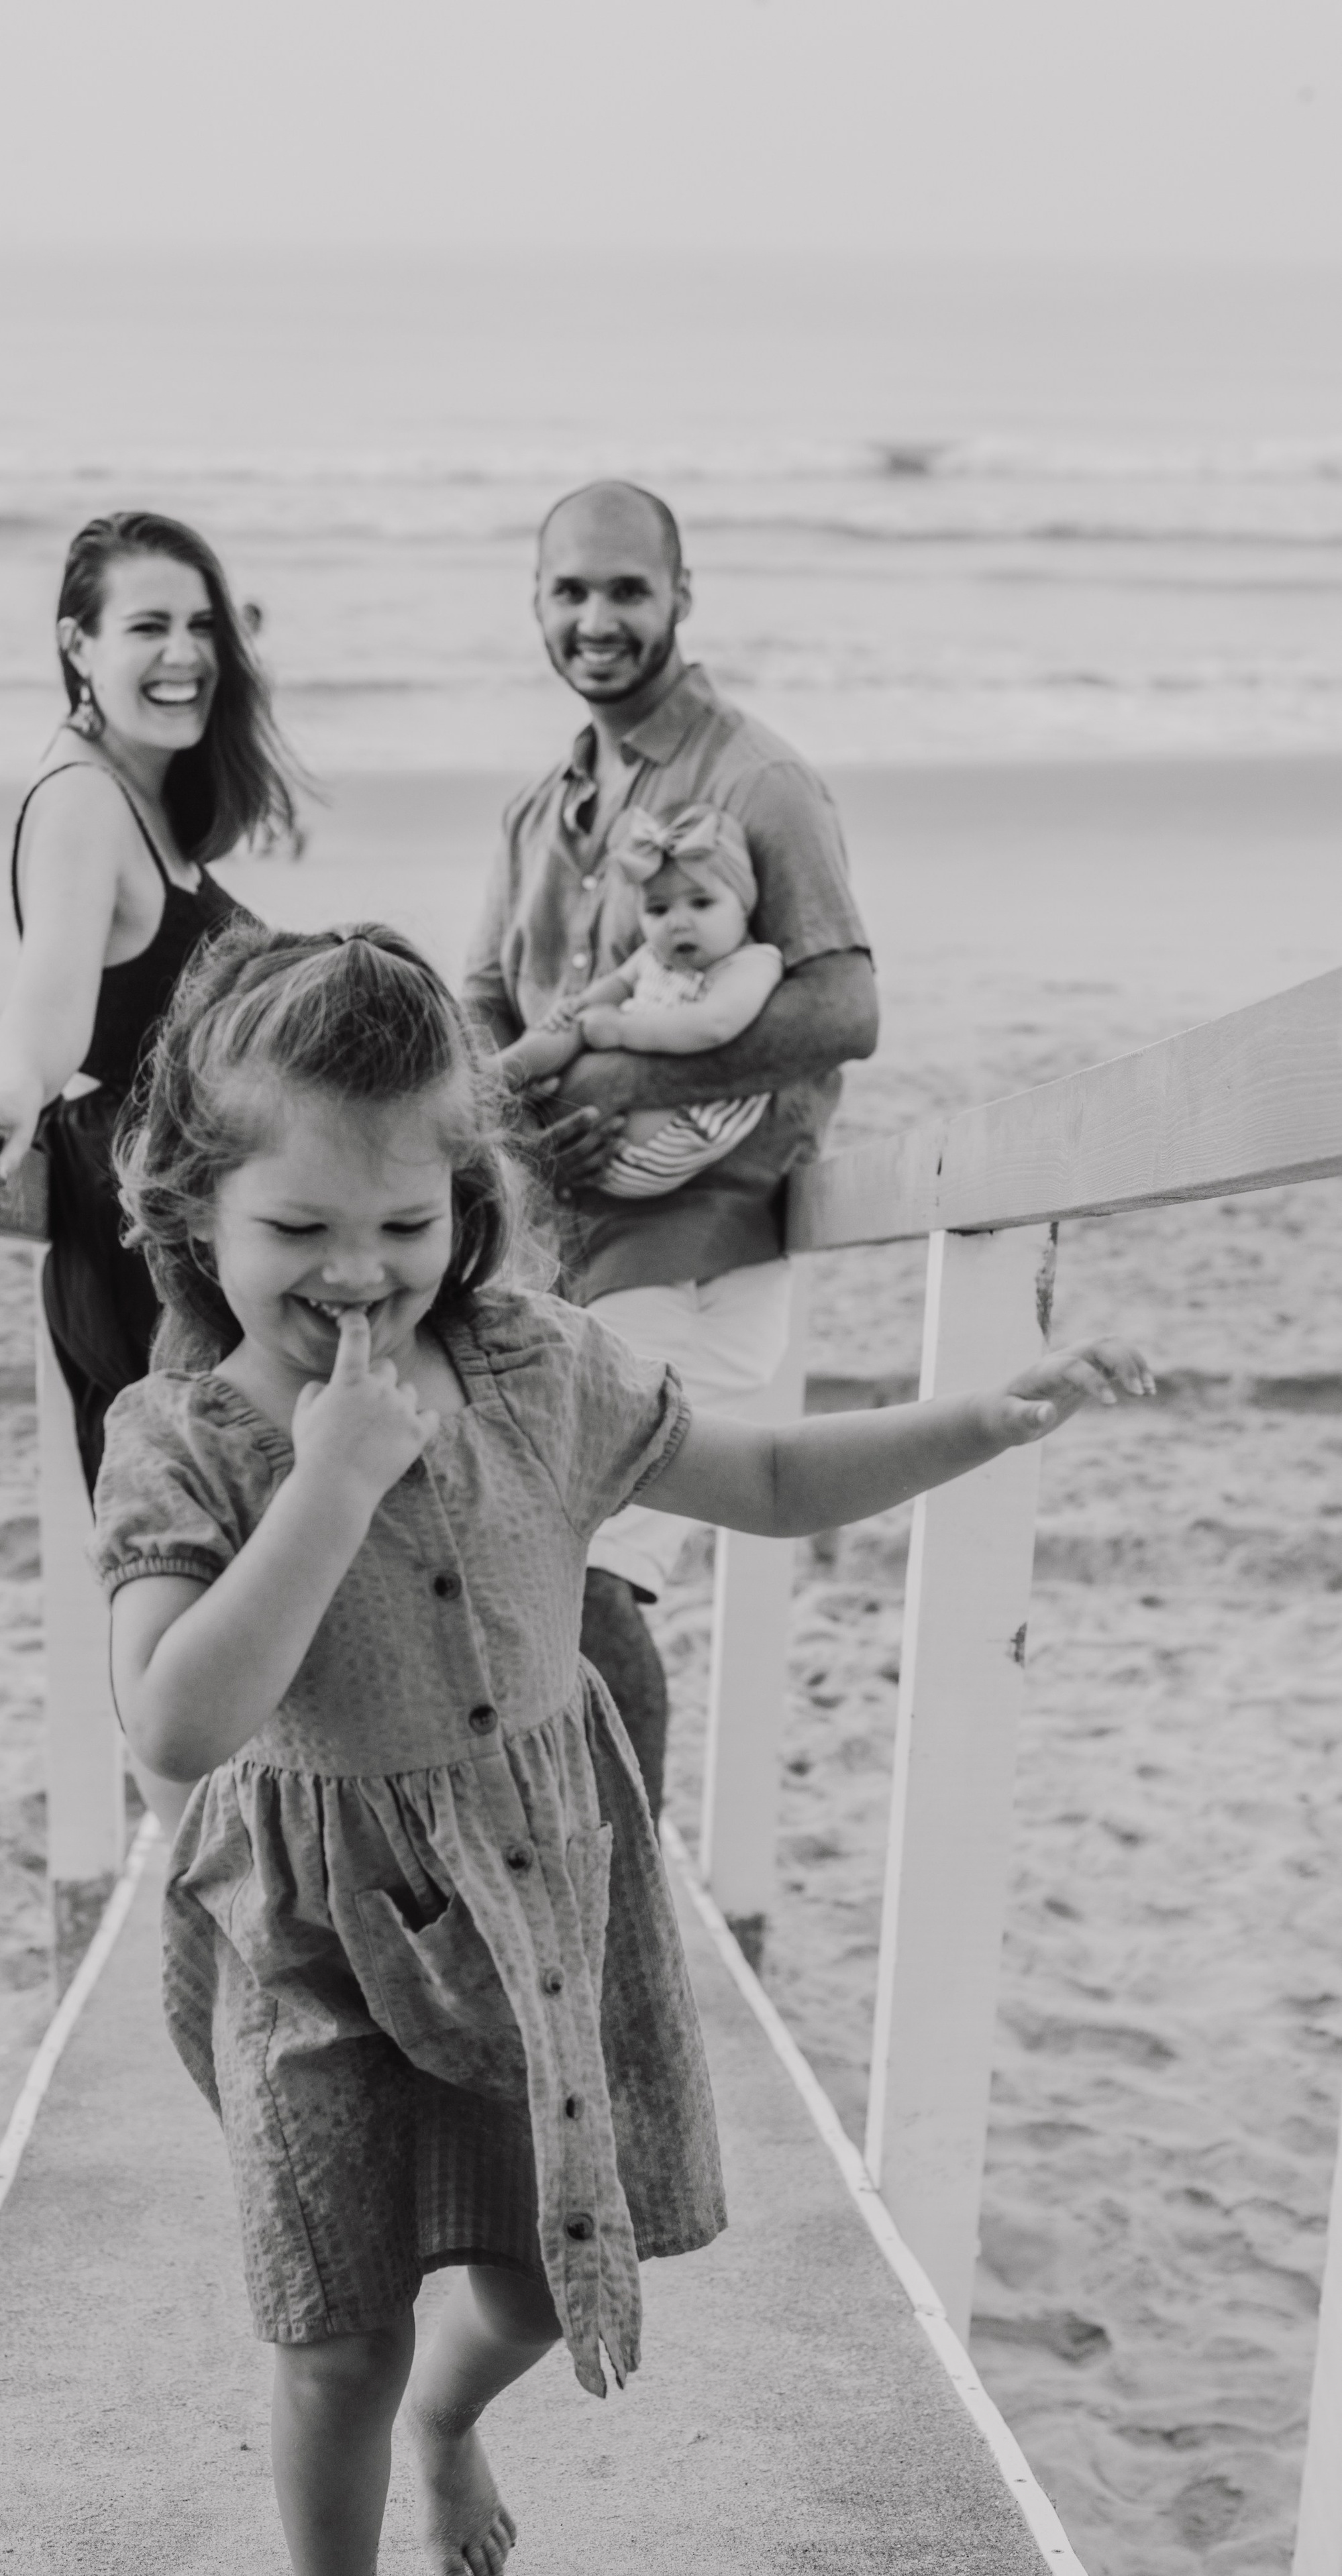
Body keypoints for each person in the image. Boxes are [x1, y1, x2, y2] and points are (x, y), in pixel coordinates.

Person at [92, 920, 1152, 2576]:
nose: (358, 1273)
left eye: (404, 1223)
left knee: (528, 2278)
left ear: (470, 1206)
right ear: (192, 1214)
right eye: (296, 1226)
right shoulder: (182, 1441)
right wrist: (334, 1478)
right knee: (334, 2330)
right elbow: (171, 1716)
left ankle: (449, 2427)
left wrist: (978, 1418)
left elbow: (774, 1483)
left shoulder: (534, 1371)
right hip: (309, 1939)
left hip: (532, 1900)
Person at [464, 480, 879, 1819]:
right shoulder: (538, 812)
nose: (596, 618)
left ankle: (624, 1892)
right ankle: (555, 1865)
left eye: (625, 590)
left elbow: (843, 1007)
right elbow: (480, 1006)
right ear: (535, 607)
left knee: (581, 1558)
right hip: (559, 1248)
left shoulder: (755, 780)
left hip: (703, 1244)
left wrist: (628, 1075)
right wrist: (514, 1112)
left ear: (679, 599)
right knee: (497, 1551)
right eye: (568, 592)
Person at [0, 510, 299, 1490]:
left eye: (202, 625)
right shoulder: (81, 802)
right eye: (148, 626)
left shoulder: (141, 795)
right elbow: (53, 992)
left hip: (186, 1211)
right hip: (142, 1229)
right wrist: (15, 1088)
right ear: (78, 644)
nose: (185, 654)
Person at [497, 803, 782, 1197]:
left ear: (744, 903)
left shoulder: (751, 964)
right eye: (658, 909)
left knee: (593, 1025)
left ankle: (497, 1082)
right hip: (594, 1147)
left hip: (670, 1138)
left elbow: (715, 1025)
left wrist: (620, 1029)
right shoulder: (654, 955)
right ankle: (495, 1076)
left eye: (701, 903)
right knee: (577, 1020)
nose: (678, 921)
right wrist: (577, 1005)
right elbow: (615, 984)